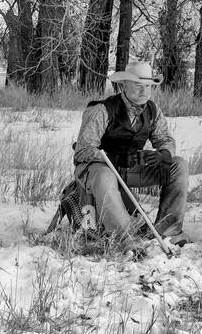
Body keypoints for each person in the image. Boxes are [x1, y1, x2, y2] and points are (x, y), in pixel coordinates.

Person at [73, 60, 188, 246]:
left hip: (129, 170)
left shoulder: (152, 111)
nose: (144, 91)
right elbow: (82, 150)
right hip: (97, 171)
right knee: (104, 175)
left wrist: (163, 155)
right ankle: (124, 237)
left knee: (178, 165)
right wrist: (113, 158)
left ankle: (168, 231)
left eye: (148, 86)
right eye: (138, 86)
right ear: (124, 85)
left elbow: (165, 139)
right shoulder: (101, 110)